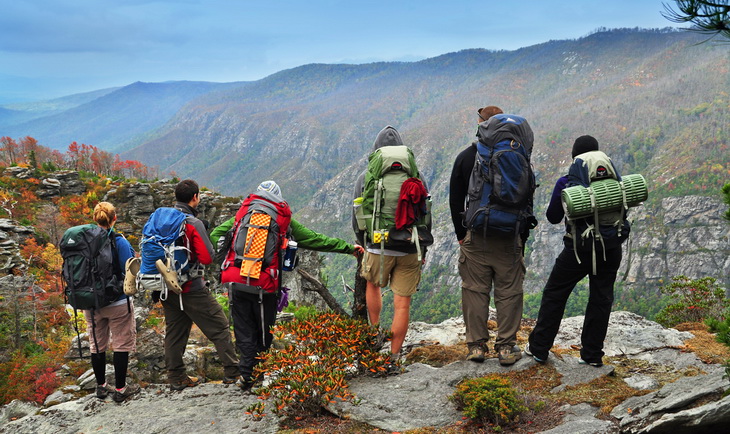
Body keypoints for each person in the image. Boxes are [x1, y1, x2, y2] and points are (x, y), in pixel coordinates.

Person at [210, 180, 364, 390]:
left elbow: (215, 234)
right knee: (263, 332)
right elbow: (316, 240)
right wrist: (347, 248)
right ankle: (258, 376)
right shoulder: (283, 219)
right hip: (265, 285)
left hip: (236, 281)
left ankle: (246, 376)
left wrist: (227, 261)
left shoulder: (242, 214)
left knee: (244, 330)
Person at [526, 136, 626, 367]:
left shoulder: (566, 182)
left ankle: (539, 349)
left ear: (575, 159)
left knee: (555, 294)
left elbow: (553, 217)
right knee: (601, 298)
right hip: (611, 248)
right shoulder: (615, 181)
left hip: (578, 250)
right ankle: (592, 355)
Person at [448, 105, 528, 366]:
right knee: (509, 291)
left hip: (476, 236)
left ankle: (477, 347)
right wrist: (521, 237)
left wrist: (462, 234)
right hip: (509, 237)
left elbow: (455, 200)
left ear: (481, 125)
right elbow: (527, 199)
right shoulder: (520, 156)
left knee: (474, 290)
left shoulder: (466, 157)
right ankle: (506, 347)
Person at [352, 125, 430, 361]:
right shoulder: (417, 176)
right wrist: (422, 248)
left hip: (377, 244)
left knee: (373, 285)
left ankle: (375, 334)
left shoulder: (366, 177)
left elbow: (357, 215)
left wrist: (362, 242)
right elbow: (426, 215)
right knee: (402, 303)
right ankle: (394, 357)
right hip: (409, 244)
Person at [161, 179, 240, 390]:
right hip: (190, 287)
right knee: (219, 325)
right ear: (195, 197)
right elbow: (207, 257)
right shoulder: (192, 223)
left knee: (175, 331)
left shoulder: (161, 219)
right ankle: (232, 372)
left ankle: (176, 377)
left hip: (165, 286)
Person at [84, 202, 140, 402]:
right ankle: (120, 389)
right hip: (117, 302)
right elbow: (129, 270)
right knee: (121, 344)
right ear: (114, 218)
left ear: (95, 218)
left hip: (91, 303)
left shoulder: (84, 241)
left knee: (97, 345)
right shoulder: (119, 242)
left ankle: (100, 387)